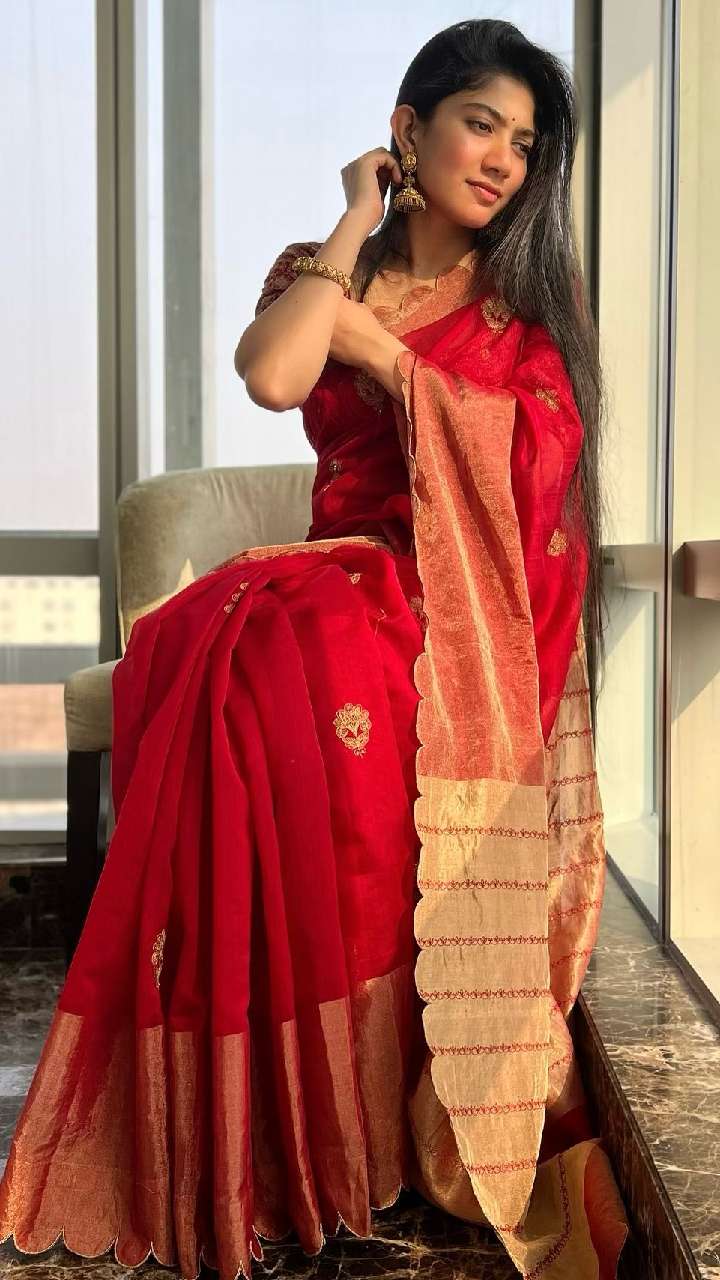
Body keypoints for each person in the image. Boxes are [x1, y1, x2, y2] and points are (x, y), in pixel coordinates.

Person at [0, 17, 630, 1280]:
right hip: (335, 569)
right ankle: (245, 1127)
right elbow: (277, 376)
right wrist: (353, 222)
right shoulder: (319, 265)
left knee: (274, 656)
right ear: (408, 128)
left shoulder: (519, 315)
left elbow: (533, 471)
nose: (502, 160)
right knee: (213, 640)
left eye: (524, 142)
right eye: (479, 123)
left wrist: (388, 356)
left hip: (444, 602)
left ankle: (343, 1117)